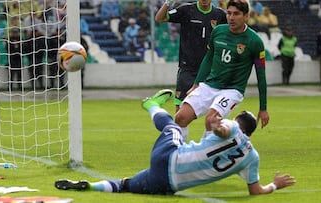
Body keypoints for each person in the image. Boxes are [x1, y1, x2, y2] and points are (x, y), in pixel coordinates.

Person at [54, 89, 296, 195]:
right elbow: (256, 190)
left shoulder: (232, 127)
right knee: (125, 185)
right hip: (169, 183)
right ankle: (91, 187)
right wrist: (275, 185)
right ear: (251, 135)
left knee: (173, 125)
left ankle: (151, 105)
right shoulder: (252, 158)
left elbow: (224, 129)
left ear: (238, 122)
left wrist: (217, 126)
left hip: (169, 157)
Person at [174, 0, 269, 141]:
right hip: (209, 85)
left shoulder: (254, 41)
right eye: (229, 13)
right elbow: (208, 58)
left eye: (236, 14)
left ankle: (205, 157)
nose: (231, 17)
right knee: (180, 117)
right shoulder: (218, 31)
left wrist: (263, 108)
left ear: (246, 16)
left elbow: (261, 76)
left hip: (232, 90)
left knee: (211, 120)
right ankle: (179, 155)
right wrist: (196, 84)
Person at [155, 0, 227, 112]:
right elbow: (159, 18)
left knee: (215, 109)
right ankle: (178, 129)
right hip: (188, 68)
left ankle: (212, 129)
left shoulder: (220, 15)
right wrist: (168, 3)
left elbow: (230, 33)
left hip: (210, 69)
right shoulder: (186, 10)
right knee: (180, 109)